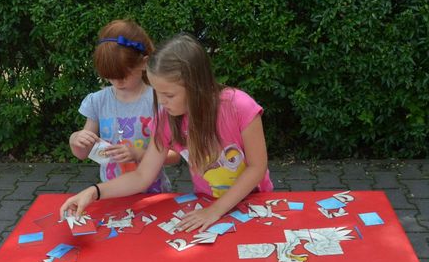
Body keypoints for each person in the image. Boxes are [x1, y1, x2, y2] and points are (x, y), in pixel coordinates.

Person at [61, 33, 273, 232]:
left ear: (196, 86)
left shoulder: (239, 106)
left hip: (255, 203)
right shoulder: (166, 120)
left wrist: (216, 210)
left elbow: (257, 167)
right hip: (207, 204)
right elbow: (142, 176)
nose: (162, 102)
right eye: (157, 93)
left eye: (169, 95)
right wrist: (94, 192)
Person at [69, 19, 178, 192]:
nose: (117, 82)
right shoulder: (98, 101)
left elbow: (175, 156)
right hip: (112, 192)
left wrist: (138, 154)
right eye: (110, 76)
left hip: (153, 192)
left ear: (144, 63)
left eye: (123, 75)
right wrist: (76, 139)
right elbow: (84, 153)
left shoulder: (159, 100)